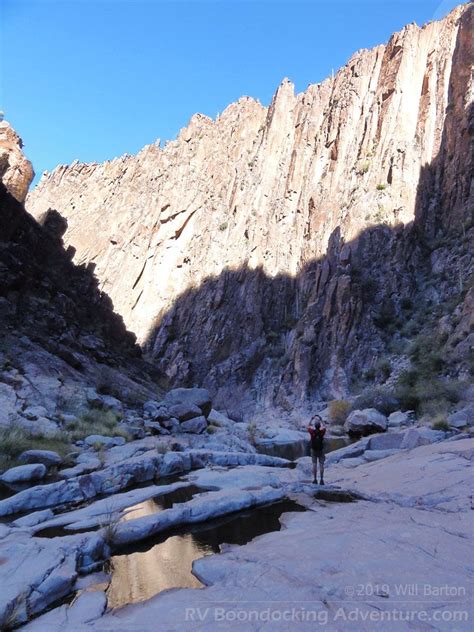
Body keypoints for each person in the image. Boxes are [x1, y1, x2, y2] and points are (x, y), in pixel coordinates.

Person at [307, 415, 326, 485]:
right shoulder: (322, 432)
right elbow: (325, 426)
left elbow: (308, 426)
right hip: (321, 450)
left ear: (315, 426)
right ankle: (321, 480)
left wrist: (311, 419)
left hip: (313, 450)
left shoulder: (312, 432)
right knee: (321, 464)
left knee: (314, 464)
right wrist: (321, 419)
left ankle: (315, 480)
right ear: (319, 426)